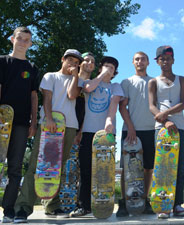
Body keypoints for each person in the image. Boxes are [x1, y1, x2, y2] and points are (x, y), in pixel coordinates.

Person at [13, 49, 84, 223]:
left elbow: (72, 95)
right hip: (50, 125)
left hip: (69, 126)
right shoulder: (50, 76)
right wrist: (49, 118)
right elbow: (47, 98)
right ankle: (23, 207)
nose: (72, 64)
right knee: (38, 166)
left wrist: (76, 76)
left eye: (76, 62)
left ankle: (52, 206)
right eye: (70, 60)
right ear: (62, 59)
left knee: (57, 168)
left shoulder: (78, 80)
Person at [71, 56, 124, 217]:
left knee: (104, 171)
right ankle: (83, 205)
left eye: (112, 68)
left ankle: (103, 204)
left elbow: (114, 105)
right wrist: (101, 76)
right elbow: (87, 89)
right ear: (100, 68)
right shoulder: (89, 82)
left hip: (106, 134)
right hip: (88, 132)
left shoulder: (116, 86)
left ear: (115, 73)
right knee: (86, 170)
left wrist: (109, 121)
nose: (109, 69)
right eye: (106, 66)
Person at [0, 26, 39, 223]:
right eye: (20, 38)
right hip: (2, 122)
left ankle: (8, 209)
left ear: (30, 44)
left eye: (27, 40)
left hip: (22, 123)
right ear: (12, 40)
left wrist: (34, 121)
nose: (23, 42)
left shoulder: (32, 68)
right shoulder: (2, 61)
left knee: (15, 168)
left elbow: (34, 96)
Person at [148, 46, 184, 219]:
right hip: (162, 129)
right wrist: (164, 120)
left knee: (178, 167)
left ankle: (177, 203)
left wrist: (166, 113)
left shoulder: (182, 79)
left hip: (180, 128)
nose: (165, 61)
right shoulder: (153, 82)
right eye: (162, 59)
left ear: (173, 60)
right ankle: (163, 205)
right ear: (157, 61)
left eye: (168, 58)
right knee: (162, 168)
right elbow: (151, 105)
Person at [116, 51, 155, 216]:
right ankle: (124, 203)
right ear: (133, 62)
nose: (140, 62)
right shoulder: (127, 82)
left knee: (148, 168)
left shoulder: (154, 82)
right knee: (127, 169)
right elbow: (122, 107)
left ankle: (144, 201)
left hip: (151, 130)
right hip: (131, 131)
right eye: (137, 59)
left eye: (143, 59)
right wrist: (131, 127)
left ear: (148, 62)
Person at [74, 52, 96, 145]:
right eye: (86, 60)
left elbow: (89, 112)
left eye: (92, 62)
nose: (90, 63)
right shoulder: (70, 79)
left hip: (81, 131)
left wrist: (81, 132)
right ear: (79, 63)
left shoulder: (94, 85)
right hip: (62, 126)